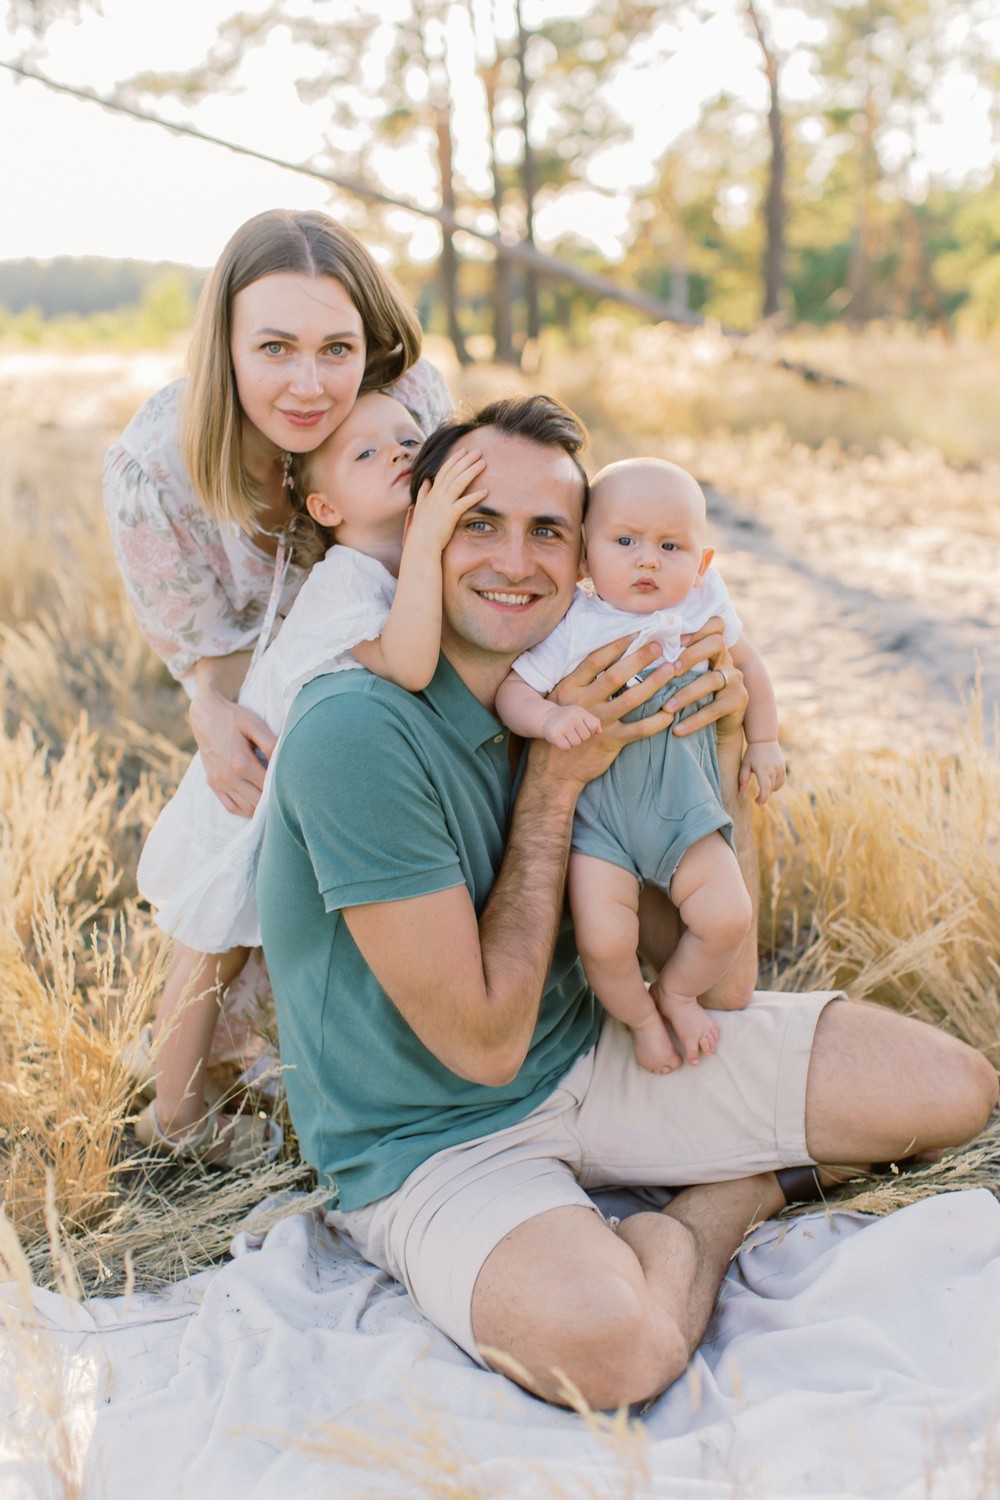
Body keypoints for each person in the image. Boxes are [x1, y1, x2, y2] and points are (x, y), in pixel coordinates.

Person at [256, 393, 997, 1411]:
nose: (514, 561)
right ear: (421, 525)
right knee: (610, 1352)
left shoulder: (592, 682)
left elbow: (721, 976)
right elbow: (481, 1049)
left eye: (548, 532)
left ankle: (672, 1191)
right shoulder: (358, 730)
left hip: (592, 1052)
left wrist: (715, 753)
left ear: (588, 557)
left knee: (949, 1089)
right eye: (479, 522)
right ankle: (724, 1200)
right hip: (430, 1140)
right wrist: (556, 786)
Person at [103, 208, 451, 1127]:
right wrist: (210, 714)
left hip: (374, 695)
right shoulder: (156, 467)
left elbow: (452, 557)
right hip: (273, 704)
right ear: (224, 346)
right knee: (227, 908)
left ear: (372, 345)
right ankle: (181, 1107)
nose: (310, 385)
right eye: (275, 348)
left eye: (338, 348)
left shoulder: (407, 406)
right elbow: (211, 662)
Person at [131, 393, 485, 1163]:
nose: (397, 452)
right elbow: (410, 664)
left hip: (289, 790)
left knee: (237, 951)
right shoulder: (348, 581)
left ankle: (208, 1076)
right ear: (324, 506)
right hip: (248, 788)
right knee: (210, 947)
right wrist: (427, 543)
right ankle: (175, 1115)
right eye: (367, 454)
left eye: (408, 438)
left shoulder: (397, 566)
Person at [495, 456, 783, 1073]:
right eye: (624, 541)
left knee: (728, 915)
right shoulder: (575, 621)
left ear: (703, 563)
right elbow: (514, 691)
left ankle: (675, 993)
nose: (647, 559)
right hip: (602, 823)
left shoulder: (703, 606)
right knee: (605, 942)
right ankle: (642, 1019)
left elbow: (752, 669)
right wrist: (547, 721)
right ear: (585, 558)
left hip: (684, 809)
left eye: (670, 545)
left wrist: (762, 742)